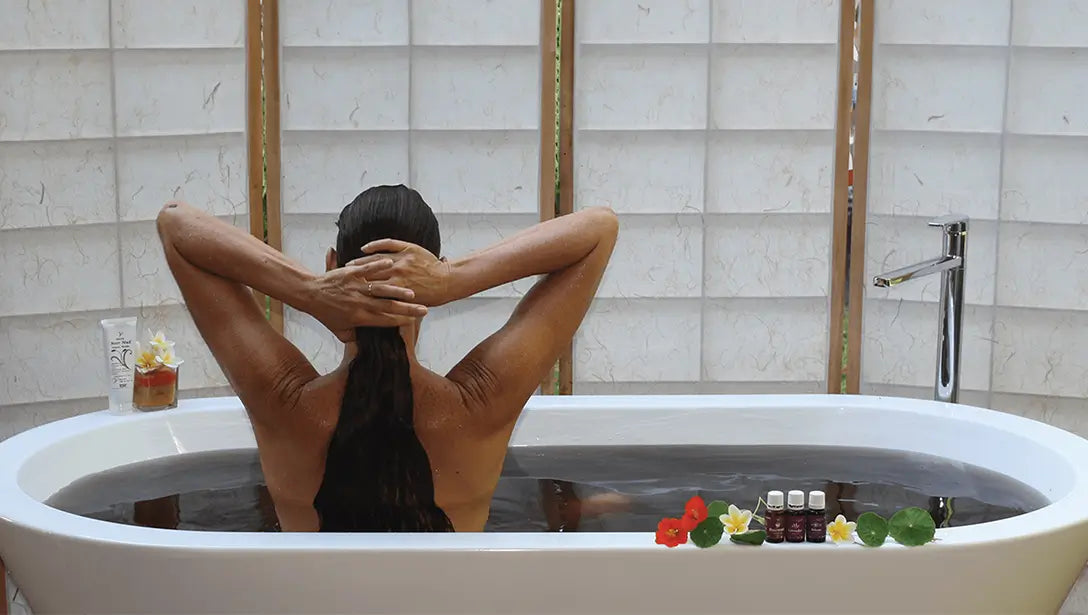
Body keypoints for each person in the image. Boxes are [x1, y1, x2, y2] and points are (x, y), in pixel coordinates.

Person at [155, 184, 618, 532]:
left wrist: (308, 292)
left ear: (333, 263)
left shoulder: (282, 401)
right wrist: (454, 278)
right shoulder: (481, 403)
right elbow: (598, 229)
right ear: (434, 267)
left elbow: (176, 225)